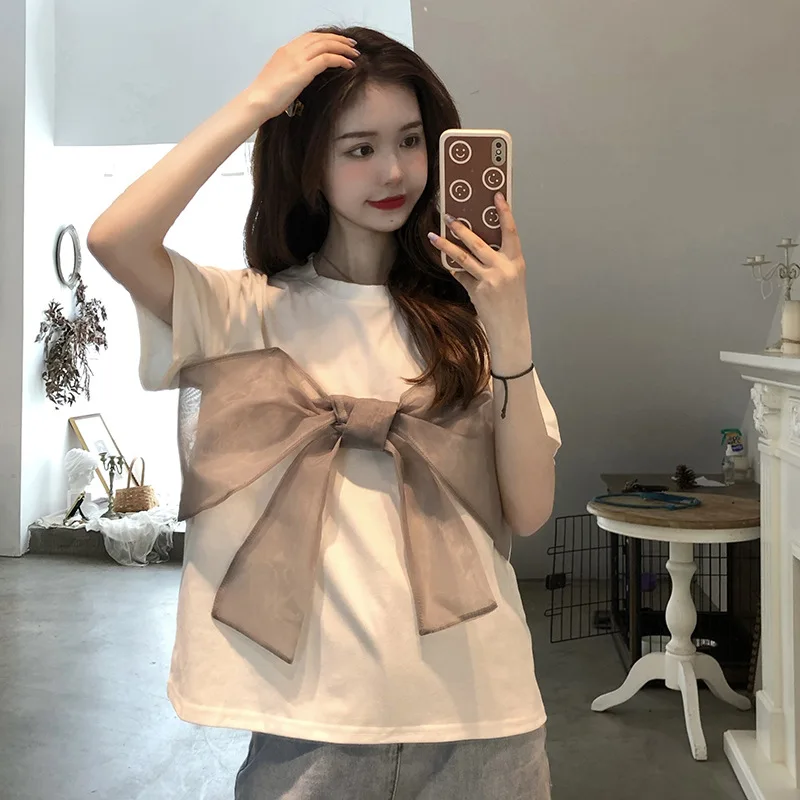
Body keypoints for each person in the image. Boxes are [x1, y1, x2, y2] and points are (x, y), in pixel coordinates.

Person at [88, 24, 561, 800]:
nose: (394, 170)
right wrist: (257, 102)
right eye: (358, 148)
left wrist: (510, 330)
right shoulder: (245, 312)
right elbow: (116, 239)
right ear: (309, 164)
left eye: (410, 140)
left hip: (485, 721)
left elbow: (531, 510)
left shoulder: (467, 322)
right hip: (308, 728)